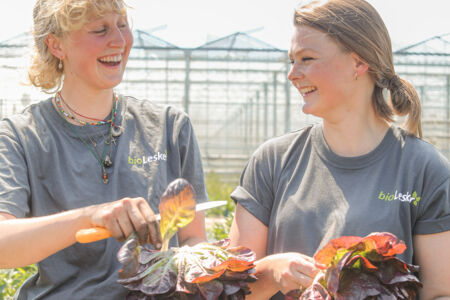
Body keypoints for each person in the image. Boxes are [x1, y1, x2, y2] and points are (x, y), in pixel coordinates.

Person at [229, 0, 450, 299]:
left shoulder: (424, 169)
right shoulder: (271, 162)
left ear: (358, 63)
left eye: (307, 58)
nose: (293, 73)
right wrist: (272, 273)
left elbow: (439, 292)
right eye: (292, 60)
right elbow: (230, 289)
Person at [0, 0, 208, 299]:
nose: (120, 41)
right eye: (100, 29)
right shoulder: (21, 136)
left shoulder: (169, 127)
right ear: (56, 45)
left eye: (123, 25)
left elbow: (192, 237)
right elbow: (4, 248)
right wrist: (90, 217)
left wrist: (200, 267)